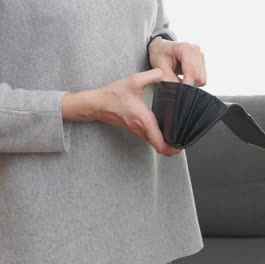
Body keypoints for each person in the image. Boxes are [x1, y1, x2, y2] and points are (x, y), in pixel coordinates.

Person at [0, 0, 206, 263]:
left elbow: (153, 25)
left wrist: (161, 45)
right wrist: (93, 105)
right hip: (46, 220)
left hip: (143, 200)